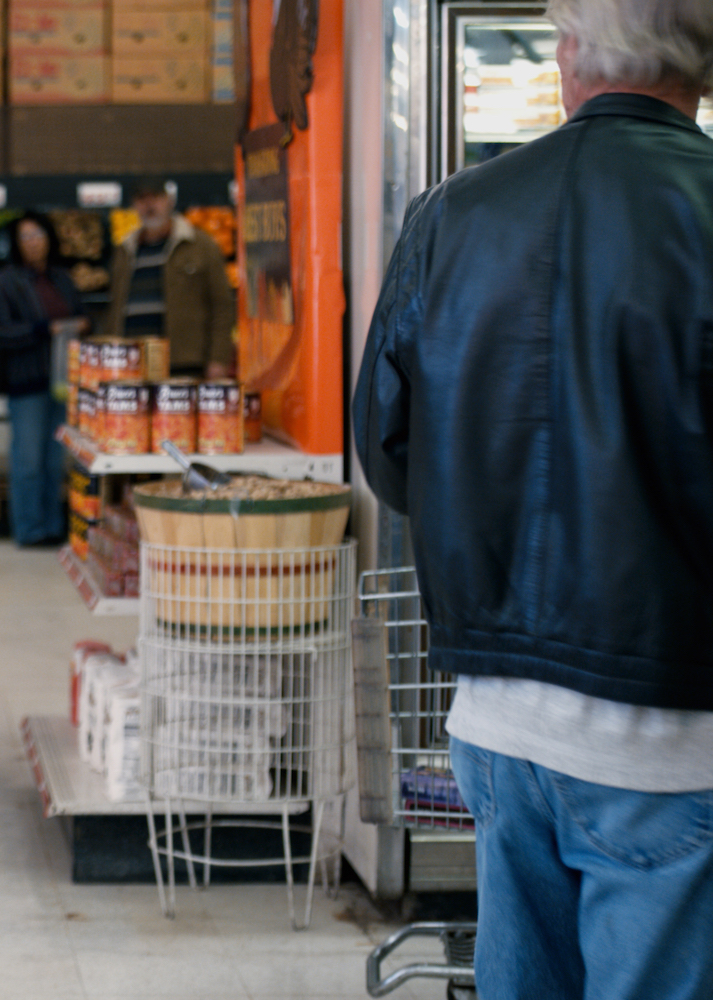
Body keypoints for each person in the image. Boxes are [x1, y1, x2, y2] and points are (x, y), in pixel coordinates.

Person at [353, 2, 713, 996]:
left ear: (566, 56)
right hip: (672, 733)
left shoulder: (447, 215)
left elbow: (387, 453)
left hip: (496, 721)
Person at [0, 212, 85, 548]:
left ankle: (54, 526)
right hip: (25, 383)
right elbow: (2, 332)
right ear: (15, 242)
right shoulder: (3, 282)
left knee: (55, 462)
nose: (33, 242)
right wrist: (46, 329)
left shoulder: (63, 279)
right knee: (28, 461)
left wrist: (81, 326)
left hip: (62, 383)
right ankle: (29, 529)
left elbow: (78, 313)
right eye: (25, 236)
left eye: (38, 234)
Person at [101, 178, 235, 379]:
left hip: (184, 363)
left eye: (155, 197)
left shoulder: (200, 244)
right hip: (131, 366)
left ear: (169, 200)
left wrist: (218, 359)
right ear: (134, 205)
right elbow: (115, 308)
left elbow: (222, 306)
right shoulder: (124, 249)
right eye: (141, 199)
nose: (148, 205)